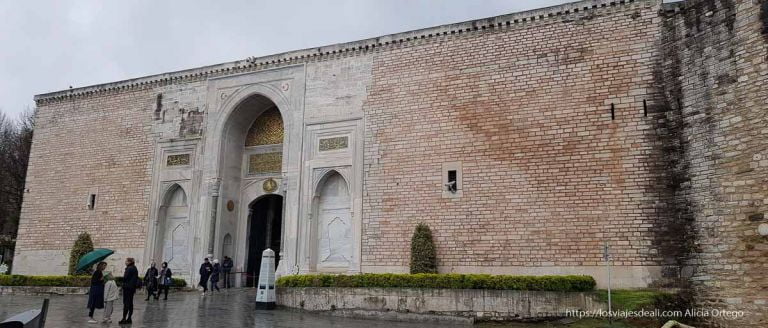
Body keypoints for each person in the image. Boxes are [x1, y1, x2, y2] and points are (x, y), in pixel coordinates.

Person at [119, 257, 139, 325]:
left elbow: (125, 278)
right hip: (132, 288)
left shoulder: (129, 268)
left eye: (126, 261)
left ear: (129, 262)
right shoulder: (134, 267)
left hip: (127, 288)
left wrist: (119, 280)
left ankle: (124, 318)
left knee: (126, 303)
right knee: (130, 303)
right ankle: (129, 318)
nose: (125, 262)